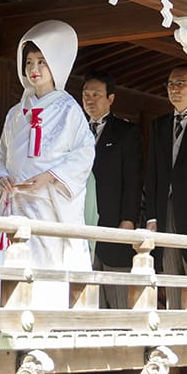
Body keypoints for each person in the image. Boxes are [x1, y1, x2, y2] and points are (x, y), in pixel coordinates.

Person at [0, 20, 95, 308]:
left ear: (55, 65)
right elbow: (1, 156)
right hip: (16, 203)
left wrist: (50, 176)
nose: (34, 69)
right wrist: (1, 179)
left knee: (47, 269)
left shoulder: (70, 110)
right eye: (29, 62)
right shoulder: (14, 114)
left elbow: (85, 153)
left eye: (42, 62)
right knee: (11, 266)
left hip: (49, 206)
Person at [82, 71, 143, 309]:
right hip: (81, 223)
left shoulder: (125, 132)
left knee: (118, 299)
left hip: (113, 221)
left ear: (111, 98)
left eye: (96, 94)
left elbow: (133, 180)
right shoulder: (75, 132)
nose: (90, 99)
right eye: (86, 94)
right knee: (86, 299)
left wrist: (128, 220)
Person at [145, 65, 187, 299]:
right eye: (170, 84)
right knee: (169, 271)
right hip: (165, 208)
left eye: (180, 83)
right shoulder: (159, 125)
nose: (174, 89)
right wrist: (151, 215)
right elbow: (153, 173)